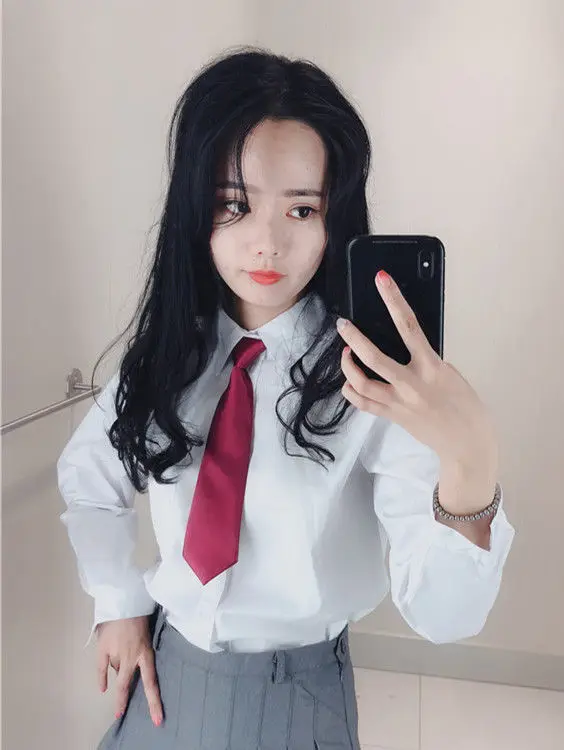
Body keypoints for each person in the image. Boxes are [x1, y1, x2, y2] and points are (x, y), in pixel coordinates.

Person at [57, 47, 515, 750]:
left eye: (302, 209)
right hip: (167, 677)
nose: (267, 243)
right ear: (195, 211)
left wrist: (470, 464)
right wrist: (118, 602)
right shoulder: (169, 354)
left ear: (336, 219)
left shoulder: (372, 380)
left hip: (297, 695)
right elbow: (90, 477)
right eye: (234, 205)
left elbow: (446, 617)